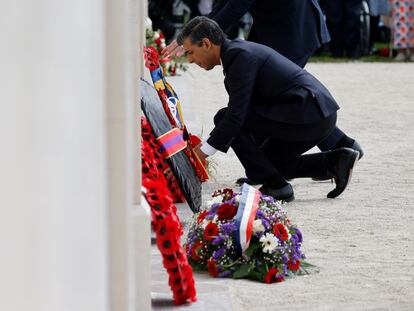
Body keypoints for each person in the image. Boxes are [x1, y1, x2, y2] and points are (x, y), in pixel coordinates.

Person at [163, 0, 363, 183]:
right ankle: (335, 152)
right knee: (268, 99)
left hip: (292, 27)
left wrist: (198, 37)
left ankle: (269, 172)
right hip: (275, 26)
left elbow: (236, 5)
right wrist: (190, 36)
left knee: (268, 99)